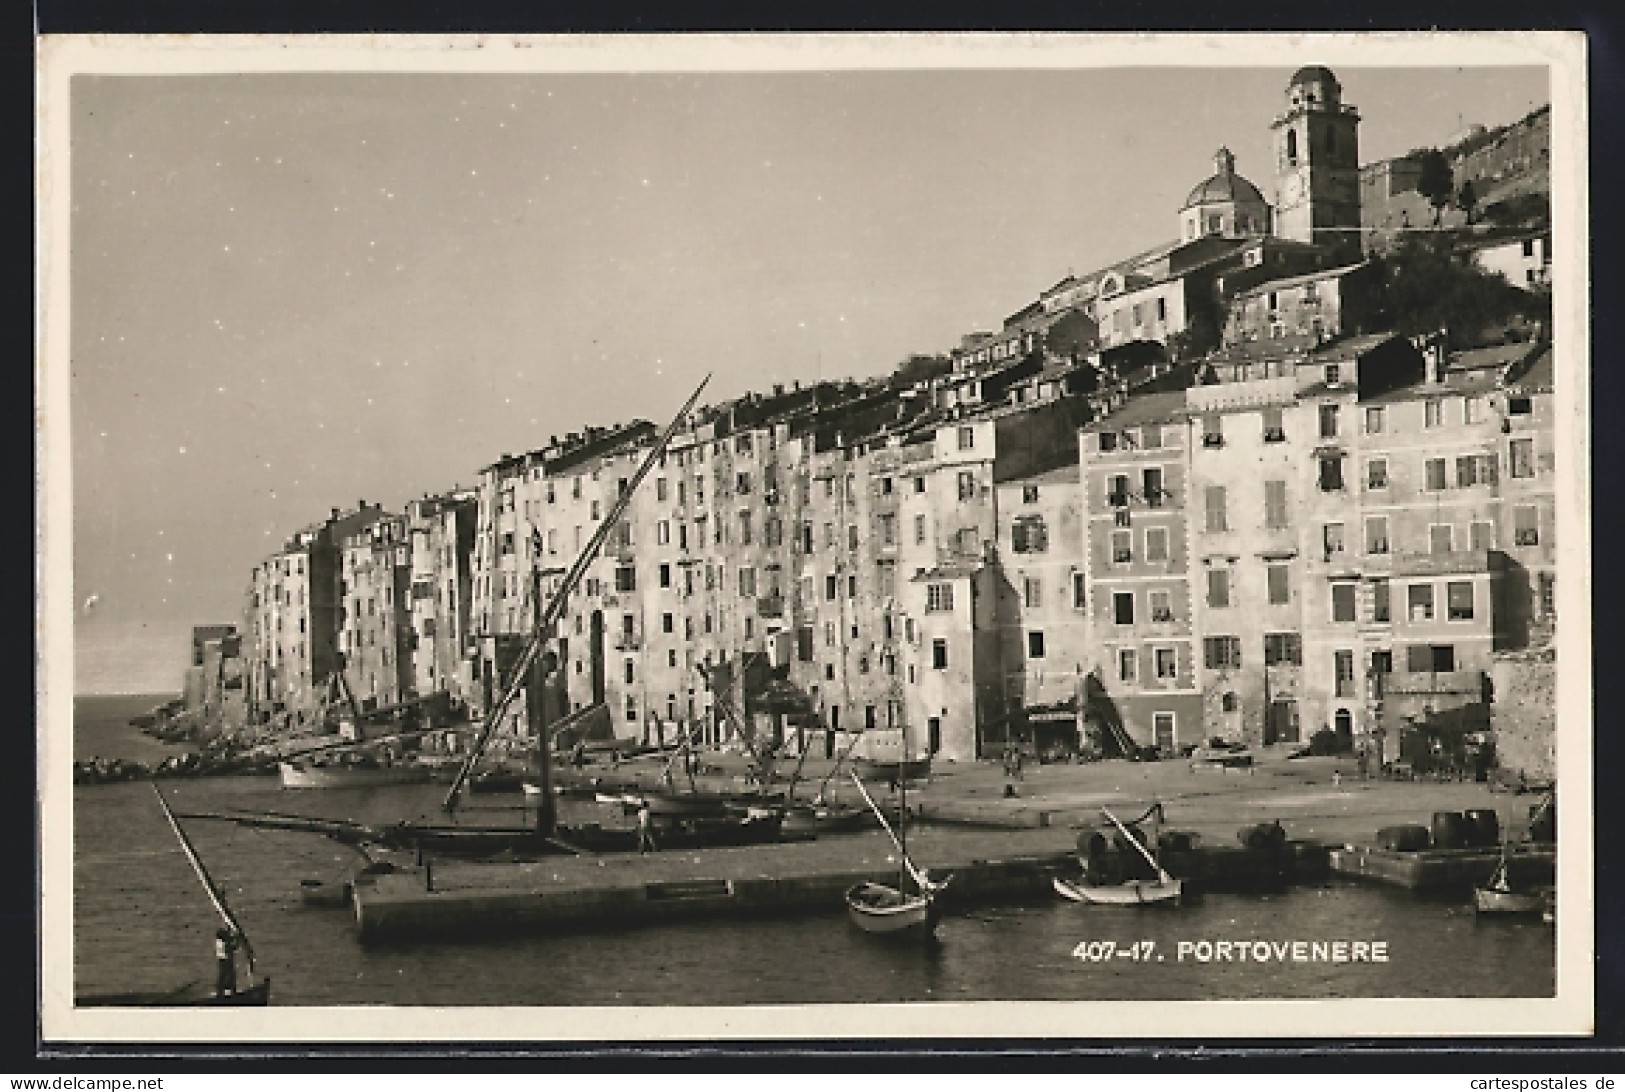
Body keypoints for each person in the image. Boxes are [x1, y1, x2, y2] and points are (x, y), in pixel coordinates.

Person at [214, 927, 239, 996]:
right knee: (229, 976)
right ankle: (230, 992)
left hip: (222, 960)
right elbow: (233, 947)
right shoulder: (223, 943)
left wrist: (233, 936)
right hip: (226, 961)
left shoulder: (219, 941)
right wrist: (237, 939)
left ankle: (222, 992)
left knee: (224, 976)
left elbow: (229, 940)